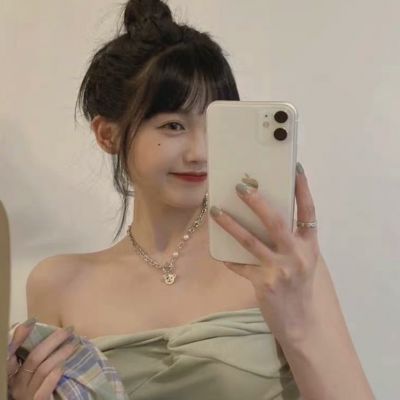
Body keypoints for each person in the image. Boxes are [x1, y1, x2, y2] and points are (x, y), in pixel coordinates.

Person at [7, 0, 375, 399]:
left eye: (214, 125)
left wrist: (298, 322)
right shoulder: (58, 284)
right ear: (107, 135)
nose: (200, 152)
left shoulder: (280, 265)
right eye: (173, 125)